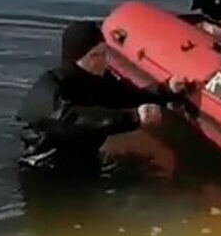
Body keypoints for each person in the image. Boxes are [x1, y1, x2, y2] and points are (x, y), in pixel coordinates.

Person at [17, 21, 169, 171]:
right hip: (45, 171)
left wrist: (167, 90)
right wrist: (132, 117)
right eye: (95, 55)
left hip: (85, 164)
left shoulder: (100, 80)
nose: (103, 62)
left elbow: (131, 96)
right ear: (76, 58)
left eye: (104, 53)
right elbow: (72, 118)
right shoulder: (51, 87)